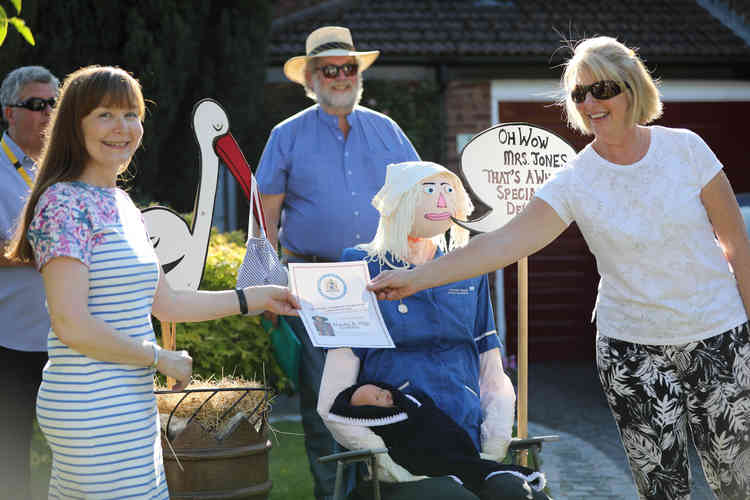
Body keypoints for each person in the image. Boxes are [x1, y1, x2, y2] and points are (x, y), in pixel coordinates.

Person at [369, 37, 750, 500]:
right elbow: (504, 243)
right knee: (663, 490)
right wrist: (415, 278)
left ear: (632, 89)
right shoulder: (576, 179)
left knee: (738, 481)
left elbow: (736, 246)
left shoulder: (687, 150)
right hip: (631, 350)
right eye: (579, 94)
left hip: (718, 336)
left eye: (602, 89)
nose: (590, 103)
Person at [5, 65, 299, 499]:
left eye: (131, 114)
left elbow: (169, 302)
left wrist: (254, 298)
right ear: (74, 124)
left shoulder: (122, 203)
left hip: (129, 400)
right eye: (105, 114)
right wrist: (159, 357)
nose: (122, 128)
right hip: (90, 404)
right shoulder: (63, 203)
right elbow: (71, 324)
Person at [255, 25, 420, 499]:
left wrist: (419, 269)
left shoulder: (387, 129)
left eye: (349, 67)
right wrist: (268, 284)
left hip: (380, 278)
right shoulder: (286, 136)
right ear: (310, 78)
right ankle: (334, 496)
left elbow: (420, 199)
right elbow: (264, 219)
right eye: (330, 69)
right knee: (325, 400)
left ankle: (385, 490)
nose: (341, 76)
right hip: (314, 280)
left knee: (386, 388)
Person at [318, 161, 547, 500]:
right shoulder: (359, 269)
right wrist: (383, 459)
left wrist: (495, 442)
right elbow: (331, 397)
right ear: (399, 202)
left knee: (521, 494)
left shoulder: (468, 270)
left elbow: (492, 372)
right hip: (402, 449)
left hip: (468, 446)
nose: (441, 202)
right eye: (429, 191)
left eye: (448, 191)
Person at [0, 65, 59, 500]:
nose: (47, 114)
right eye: (36, 105)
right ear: (9, 113)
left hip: (68, 339)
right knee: (9, 458)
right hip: (8, 341)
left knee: (74, 452)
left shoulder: (67, 170)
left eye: (54, 105)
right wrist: (42, 253)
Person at [328, 382, 546, 496]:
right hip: (426, 469)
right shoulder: (385, 426)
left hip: (462, 453)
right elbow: (409, 449)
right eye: (377, 398)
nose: (384, 393)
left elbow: (438, 424)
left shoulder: (414, 403)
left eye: (381, 389)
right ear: (368, 412)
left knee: (512, 490)